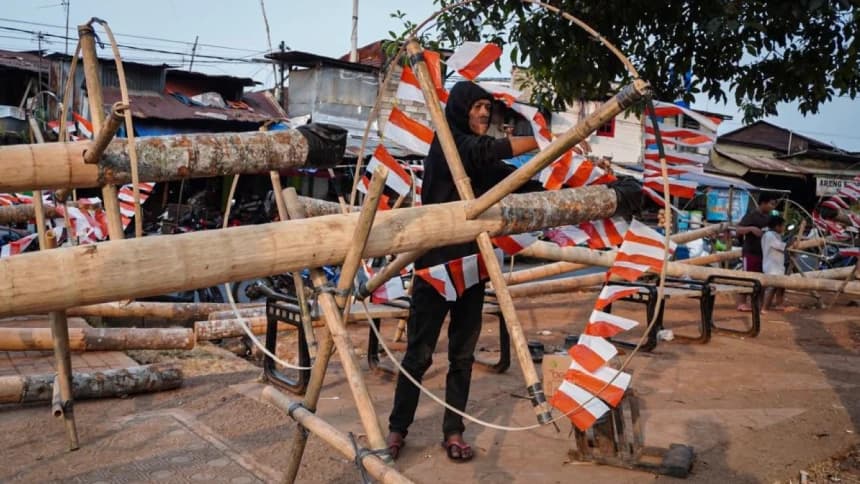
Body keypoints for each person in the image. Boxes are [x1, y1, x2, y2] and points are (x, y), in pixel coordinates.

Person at [386, 81, 541, 462]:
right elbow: (489, 149)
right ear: (460, 109)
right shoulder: (449, 144)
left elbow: (515, 179)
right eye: (477, 107)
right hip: (435, 266)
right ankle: (396, 429)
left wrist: (571, 174)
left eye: (487, 107)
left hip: (472, 266)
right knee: (419, 355)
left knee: (463, 356)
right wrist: (543, 140)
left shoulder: (478, 158)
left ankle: (453, 431)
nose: (484, 114)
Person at [735, 192, 780, 312]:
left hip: (764, 253)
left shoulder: (770, 217)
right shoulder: (751, 215)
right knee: (748, 277)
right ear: (763, 203)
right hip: (750, 252)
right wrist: (751, 229)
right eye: (771, 204)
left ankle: (759, 303)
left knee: (761, 279)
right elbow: (738, 230)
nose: (773, 207)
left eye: (774, 204)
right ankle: (742, 303)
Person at [761, 215, 792, 312]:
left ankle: (778, 304)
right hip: (771, 266)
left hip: (777, 265)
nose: (783, 228)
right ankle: (764, 308)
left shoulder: (776, 235)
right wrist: (791, 242)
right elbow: (781, 246)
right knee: (772, 287)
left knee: (779, 286)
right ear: (776, 226)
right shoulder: (769, 235)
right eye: (782, 226)